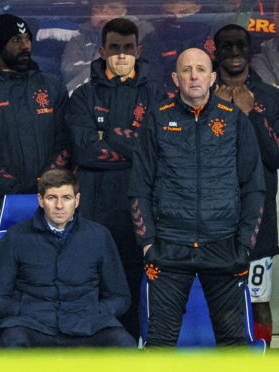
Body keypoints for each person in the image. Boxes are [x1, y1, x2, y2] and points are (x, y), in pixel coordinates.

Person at [128, 48, 266, 346]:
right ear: (176, 78)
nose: (194, 76)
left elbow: (253, 186)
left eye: (201, 69)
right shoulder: (157, 119)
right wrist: (148, 243)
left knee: (233, 342)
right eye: (187, 70)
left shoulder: (235, 120)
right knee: (159, 344)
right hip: (168, 248)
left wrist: (244, 245)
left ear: (212, 77)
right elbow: (139, 186)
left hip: (223, 246)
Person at [65, 18, 158, 341]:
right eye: (114, 48)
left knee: (134, 288)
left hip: (140, 212)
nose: (121, 55)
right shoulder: (82, 97)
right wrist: (133, 143)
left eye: (128, 48)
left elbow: (155, 150)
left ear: (138, 51)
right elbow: (86, 152)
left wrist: (107, 136)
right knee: (93, 285)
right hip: (95, 210)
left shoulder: (155, 95)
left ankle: (130, 351)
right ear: (102, 51)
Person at [0, 14, 70, 269]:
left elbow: (66, 143)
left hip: (53, 207)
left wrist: (44, 185)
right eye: (16, 40)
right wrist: (19, 189)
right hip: (0, 212)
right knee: (4, 295)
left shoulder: (53, 87)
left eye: (27, 38)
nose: (25, 46)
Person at [0, 168, 135, 348]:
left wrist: (97, 310)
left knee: (123, 343)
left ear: (77, 200)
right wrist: (26, 310)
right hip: (32, 326)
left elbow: (120, 297)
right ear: (40, 200)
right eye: (52, 198)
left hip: (88, 325)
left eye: (67, 198)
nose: (60, 206)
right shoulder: (15, 237)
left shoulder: (99, 236)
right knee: (12, 341)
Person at [213, 24, 279, 346]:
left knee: (258, 300)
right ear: (216, 52)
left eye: (241, 46)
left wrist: (251, 115)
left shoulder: (270, 96)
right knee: (219, 297)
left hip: (258, 219)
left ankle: (263, 356)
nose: (235, 53)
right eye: (227, 46)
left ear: (251, 50)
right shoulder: (201, 94)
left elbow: (276, 155)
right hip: (212, 219)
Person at [140, 0, 216, 97]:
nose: (177, 18)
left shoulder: (213, 34)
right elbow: (152, 82)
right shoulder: (153, 40)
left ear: (197, 8)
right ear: (162, 11)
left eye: (184, 13)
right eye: (170, 14)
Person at [61, 0, 130, 92]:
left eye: (113, 8)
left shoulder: (140, 31)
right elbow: (67, 69)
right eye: (99, 7)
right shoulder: (80, 34)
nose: (104, 11)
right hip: (85, 93)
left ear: (123, 13)